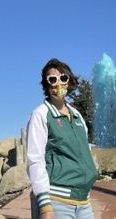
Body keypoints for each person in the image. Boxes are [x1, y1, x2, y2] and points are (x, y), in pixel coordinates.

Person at [26, 58, 98, 219]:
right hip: (57, 200)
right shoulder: (40, 114)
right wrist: (45, 206)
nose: (58, 83)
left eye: (63, 78)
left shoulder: (77, 115)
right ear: (46, 84)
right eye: (52, 79)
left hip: (84, 200)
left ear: (69, 81)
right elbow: (35, 160)